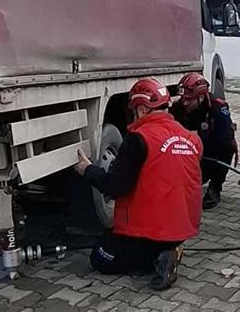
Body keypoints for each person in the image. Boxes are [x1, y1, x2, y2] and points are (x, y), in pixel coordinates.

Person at [74, 78, 202, 288]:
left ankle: (154, 260)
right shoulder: (191, 139)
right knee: (111, 236)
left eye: (133, 111)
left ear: (142, 110)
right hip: (180, 230)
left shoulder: (139, 138)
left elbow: (115, 187)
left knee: (99, 257)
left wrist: (86, 169)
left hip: (148, 234)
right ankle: (170, 250)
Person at [171, 73, 237, 210]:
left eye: (189, 101)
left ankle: (215, 187)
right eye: (183, 99)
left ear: (201, 98)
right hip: (188, 153)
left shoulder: (218, 108)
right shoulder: (179, 107)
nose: (185, 103)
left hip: (211, 151)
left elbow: (225, 137)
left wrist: (198, 144)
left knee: (228, 148)